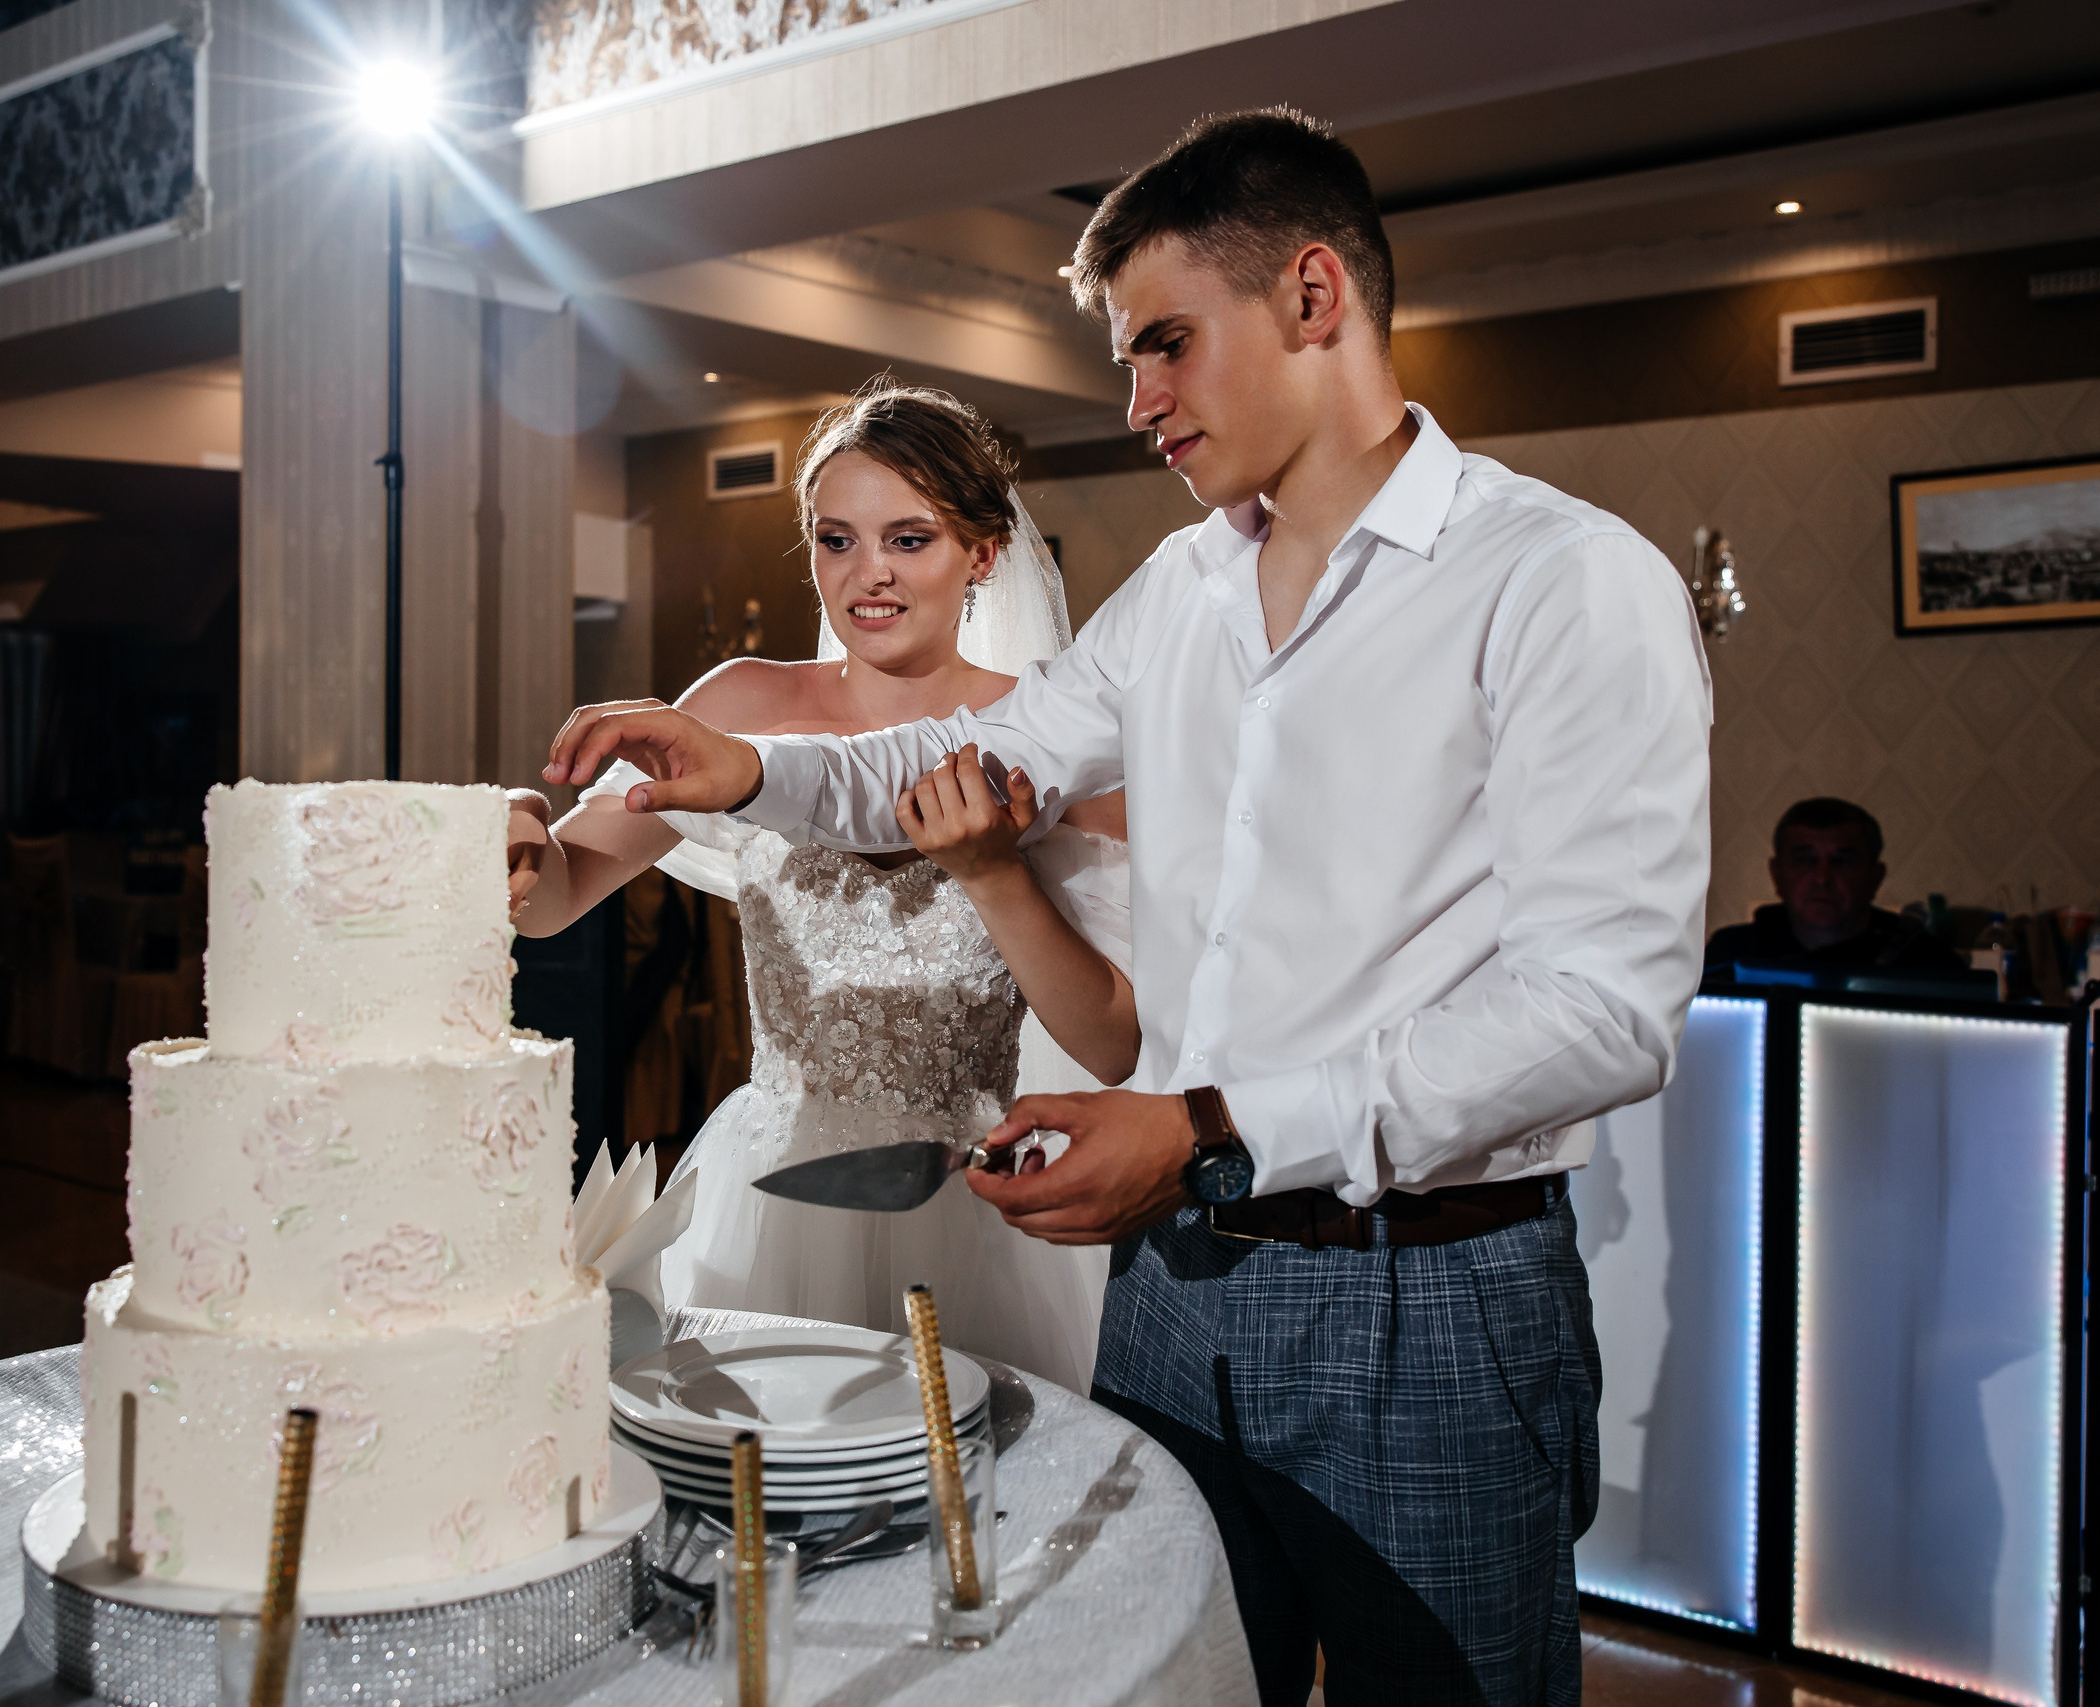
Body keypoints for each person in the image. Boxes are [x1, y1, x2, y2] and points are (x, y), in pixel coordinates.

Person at [541, 108, 1711, 1704]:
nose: (1138, 399)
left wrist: (1207, 1123)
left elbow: (1603, 1009)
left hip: (1419, 1298)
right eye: (1128, 355)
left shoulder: (1563, 578)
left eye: (1166, 342)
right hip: (1169, 1285)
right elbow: (963, 766)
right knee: (1160, 1676)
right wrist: (742, 767)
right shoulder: (1181, 592)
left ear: (1313, 296)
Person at [507, 385, 1133, 1393]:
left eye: (908, 540)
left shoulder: (1051, 737)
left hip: (965, 1201)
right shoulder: (744, 703)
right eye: (836, 540)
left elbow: (1110, 1042)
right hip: (773, 1185)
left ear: (983, 553)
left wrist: (995, 869)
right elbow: (554, 901)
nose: (867, 574)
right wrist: (517, 825)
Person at [1704, 797, 1963, 974]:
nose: (1822, 878)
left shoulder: (1927, 963)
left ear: (1875, 877)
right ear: (1776, 874)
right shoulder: (1731, 956)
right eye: (1805, 861)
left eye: (1843, 862)